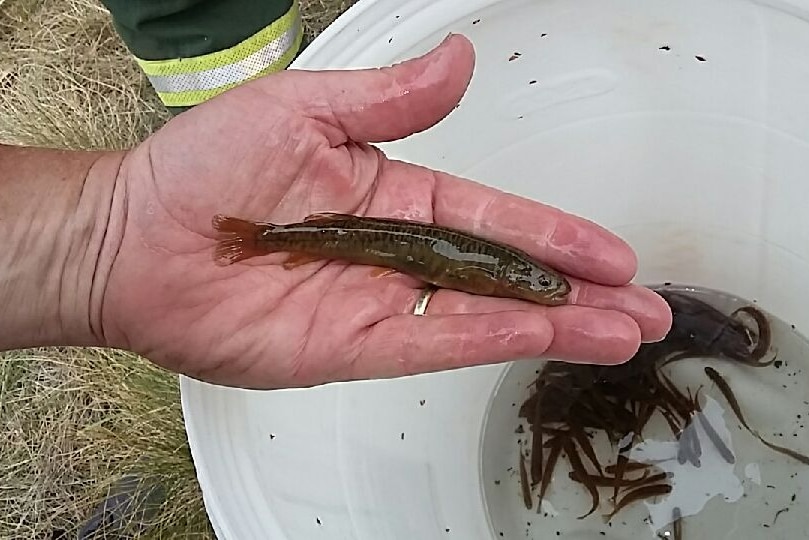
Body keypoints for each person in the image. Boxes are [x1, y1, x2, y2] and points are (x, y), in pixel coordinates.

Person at [1, 31, 671, 391]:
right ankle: (261, 240)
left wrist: (96, 238)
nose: (549, 289)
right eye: (545, 282)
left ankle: (265, 240)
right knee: (336, 240)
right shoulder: (501, 271)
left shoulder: (503, 269)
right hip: (344, 233)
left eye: (545, 285)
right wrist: (107, 232)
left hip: (362, 235)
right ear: (514, 278)